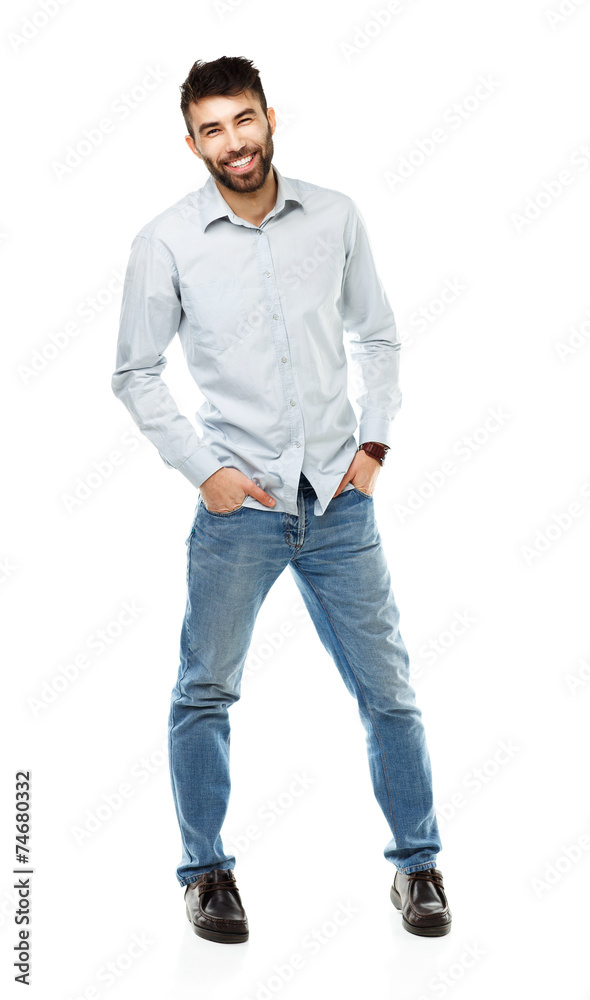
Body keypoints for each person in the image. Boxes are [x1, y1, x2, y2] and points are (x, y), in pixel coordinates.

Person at [111, 55, 451, 943]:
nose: (234, 141)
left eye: (244, 120)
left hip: (340, 501)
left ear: (269, 119)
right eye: (212, 129)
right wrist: (204, 472)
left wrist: (374, 443)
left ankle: (418, 867)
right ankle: (206, 874)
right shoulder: (166, 241)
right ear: (193, 143)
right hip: (241, 510)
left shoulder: (334, 216)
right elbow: (135, 372)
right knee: (205, 692)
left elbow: (378, 335)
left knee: (390, 693)